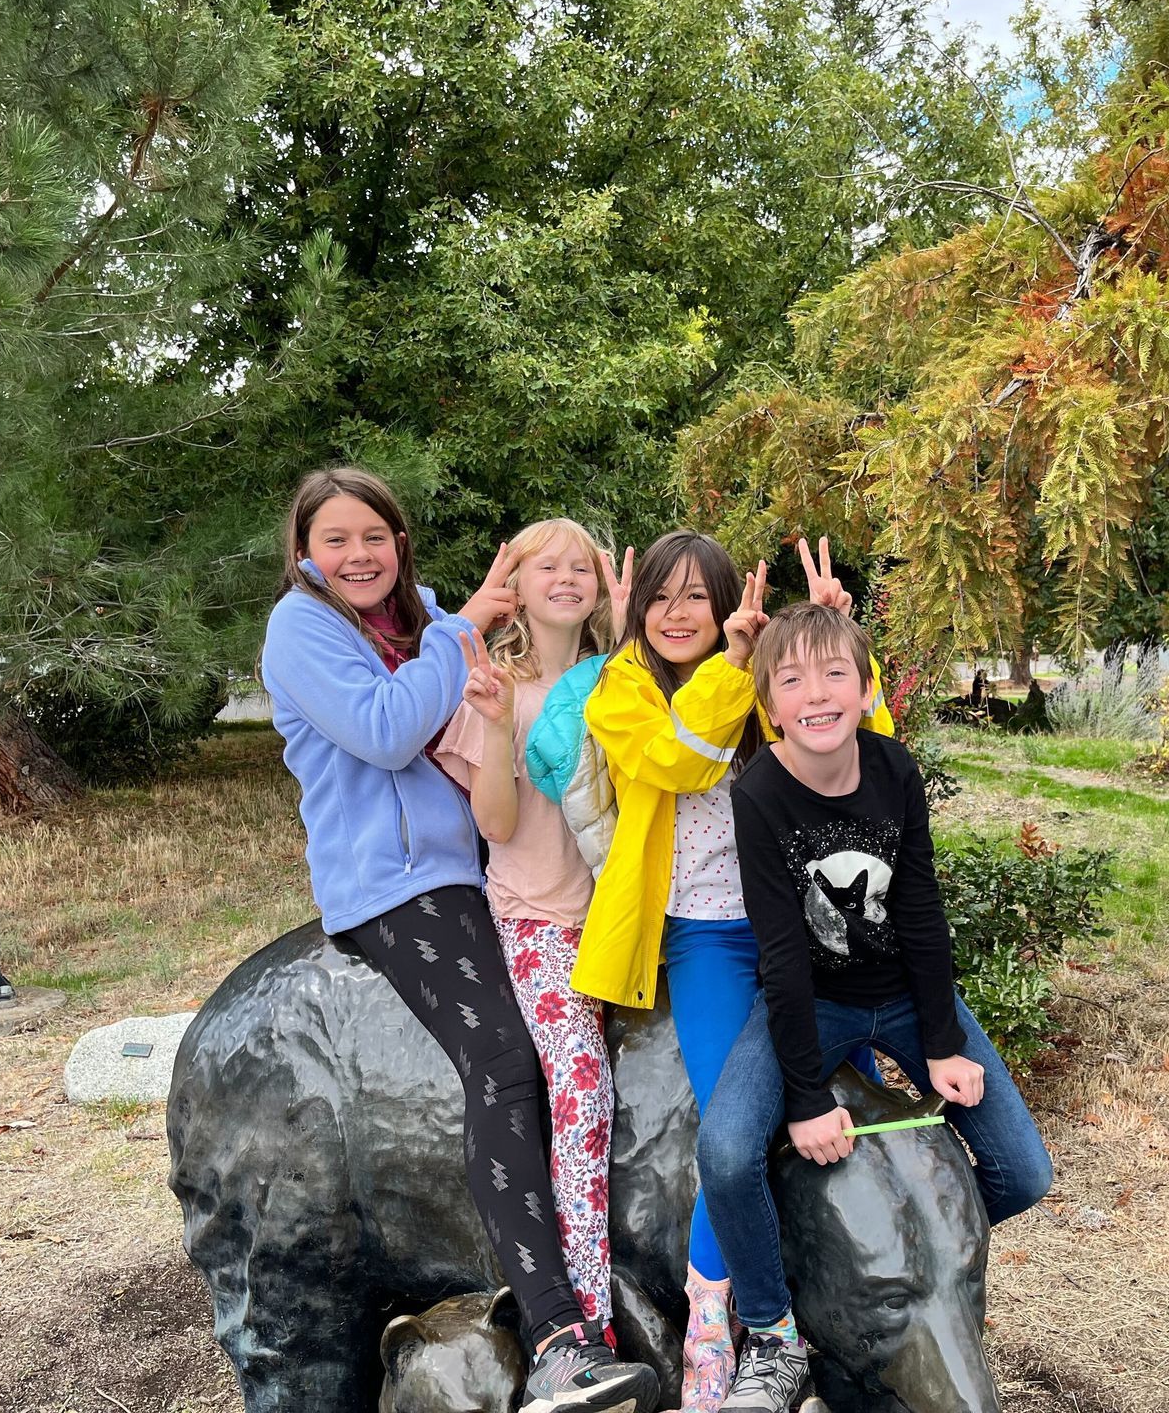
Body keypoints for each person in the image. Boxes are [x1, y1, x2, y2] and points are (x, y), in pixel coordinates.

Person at [259, 469, 658, 1413]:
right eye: (336, 541)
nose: (359, 555)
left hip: (472, 872)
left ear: (400, 543)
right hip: (394, 882)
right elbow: (390, 733)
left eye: (375, 537)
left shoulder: (425, 614)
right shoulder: (304, 627)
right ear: (305, 554)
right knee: (505, 1060)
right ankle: (562, 1333)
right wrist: (465, 623)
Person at [696, 602, 1053, 1413]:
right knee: (722, 1154)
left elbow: (921, 910)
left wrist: (942, 1040)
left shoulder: (894, 770)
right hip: (811, 1003)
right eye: (791, 680)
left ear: (865, 690)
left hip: (900, 995)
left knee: (1025, 1172)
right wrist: (808, 1098)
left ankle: (908, 1283)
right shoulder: (758, 795)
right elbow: (783, 956)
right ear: (769, 703)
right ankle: (776, 1332)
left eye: (834, 675)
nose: (815, 694)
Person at [570, 533, 888, 1411]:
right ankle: (718, 1331)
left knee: (849, 1107)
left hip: (806, 929)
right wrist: (737, 669)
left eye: (698, 599)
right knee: (731, 1130)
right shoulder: (621, 689)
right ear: (639, 610)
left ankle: (849, 1306)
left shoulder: (773, 678)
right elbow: (674, 759)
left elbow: (862, 750)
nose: (679, 614)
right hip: (705, 934)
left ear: (723, 608)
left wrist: (840, 651)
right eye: (662, 598)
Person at [435, 518, 627, 1332]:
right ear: (513, 582)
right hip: (540, 920)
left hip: (624, 922)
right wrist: (497, 725)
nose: (566, 577)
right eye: (545, 565)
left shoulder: (620, 679)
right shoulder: (496, 684)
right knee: (581, 1093)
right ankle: (588, 1312)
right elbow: (500, 827)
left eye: (581, 566)